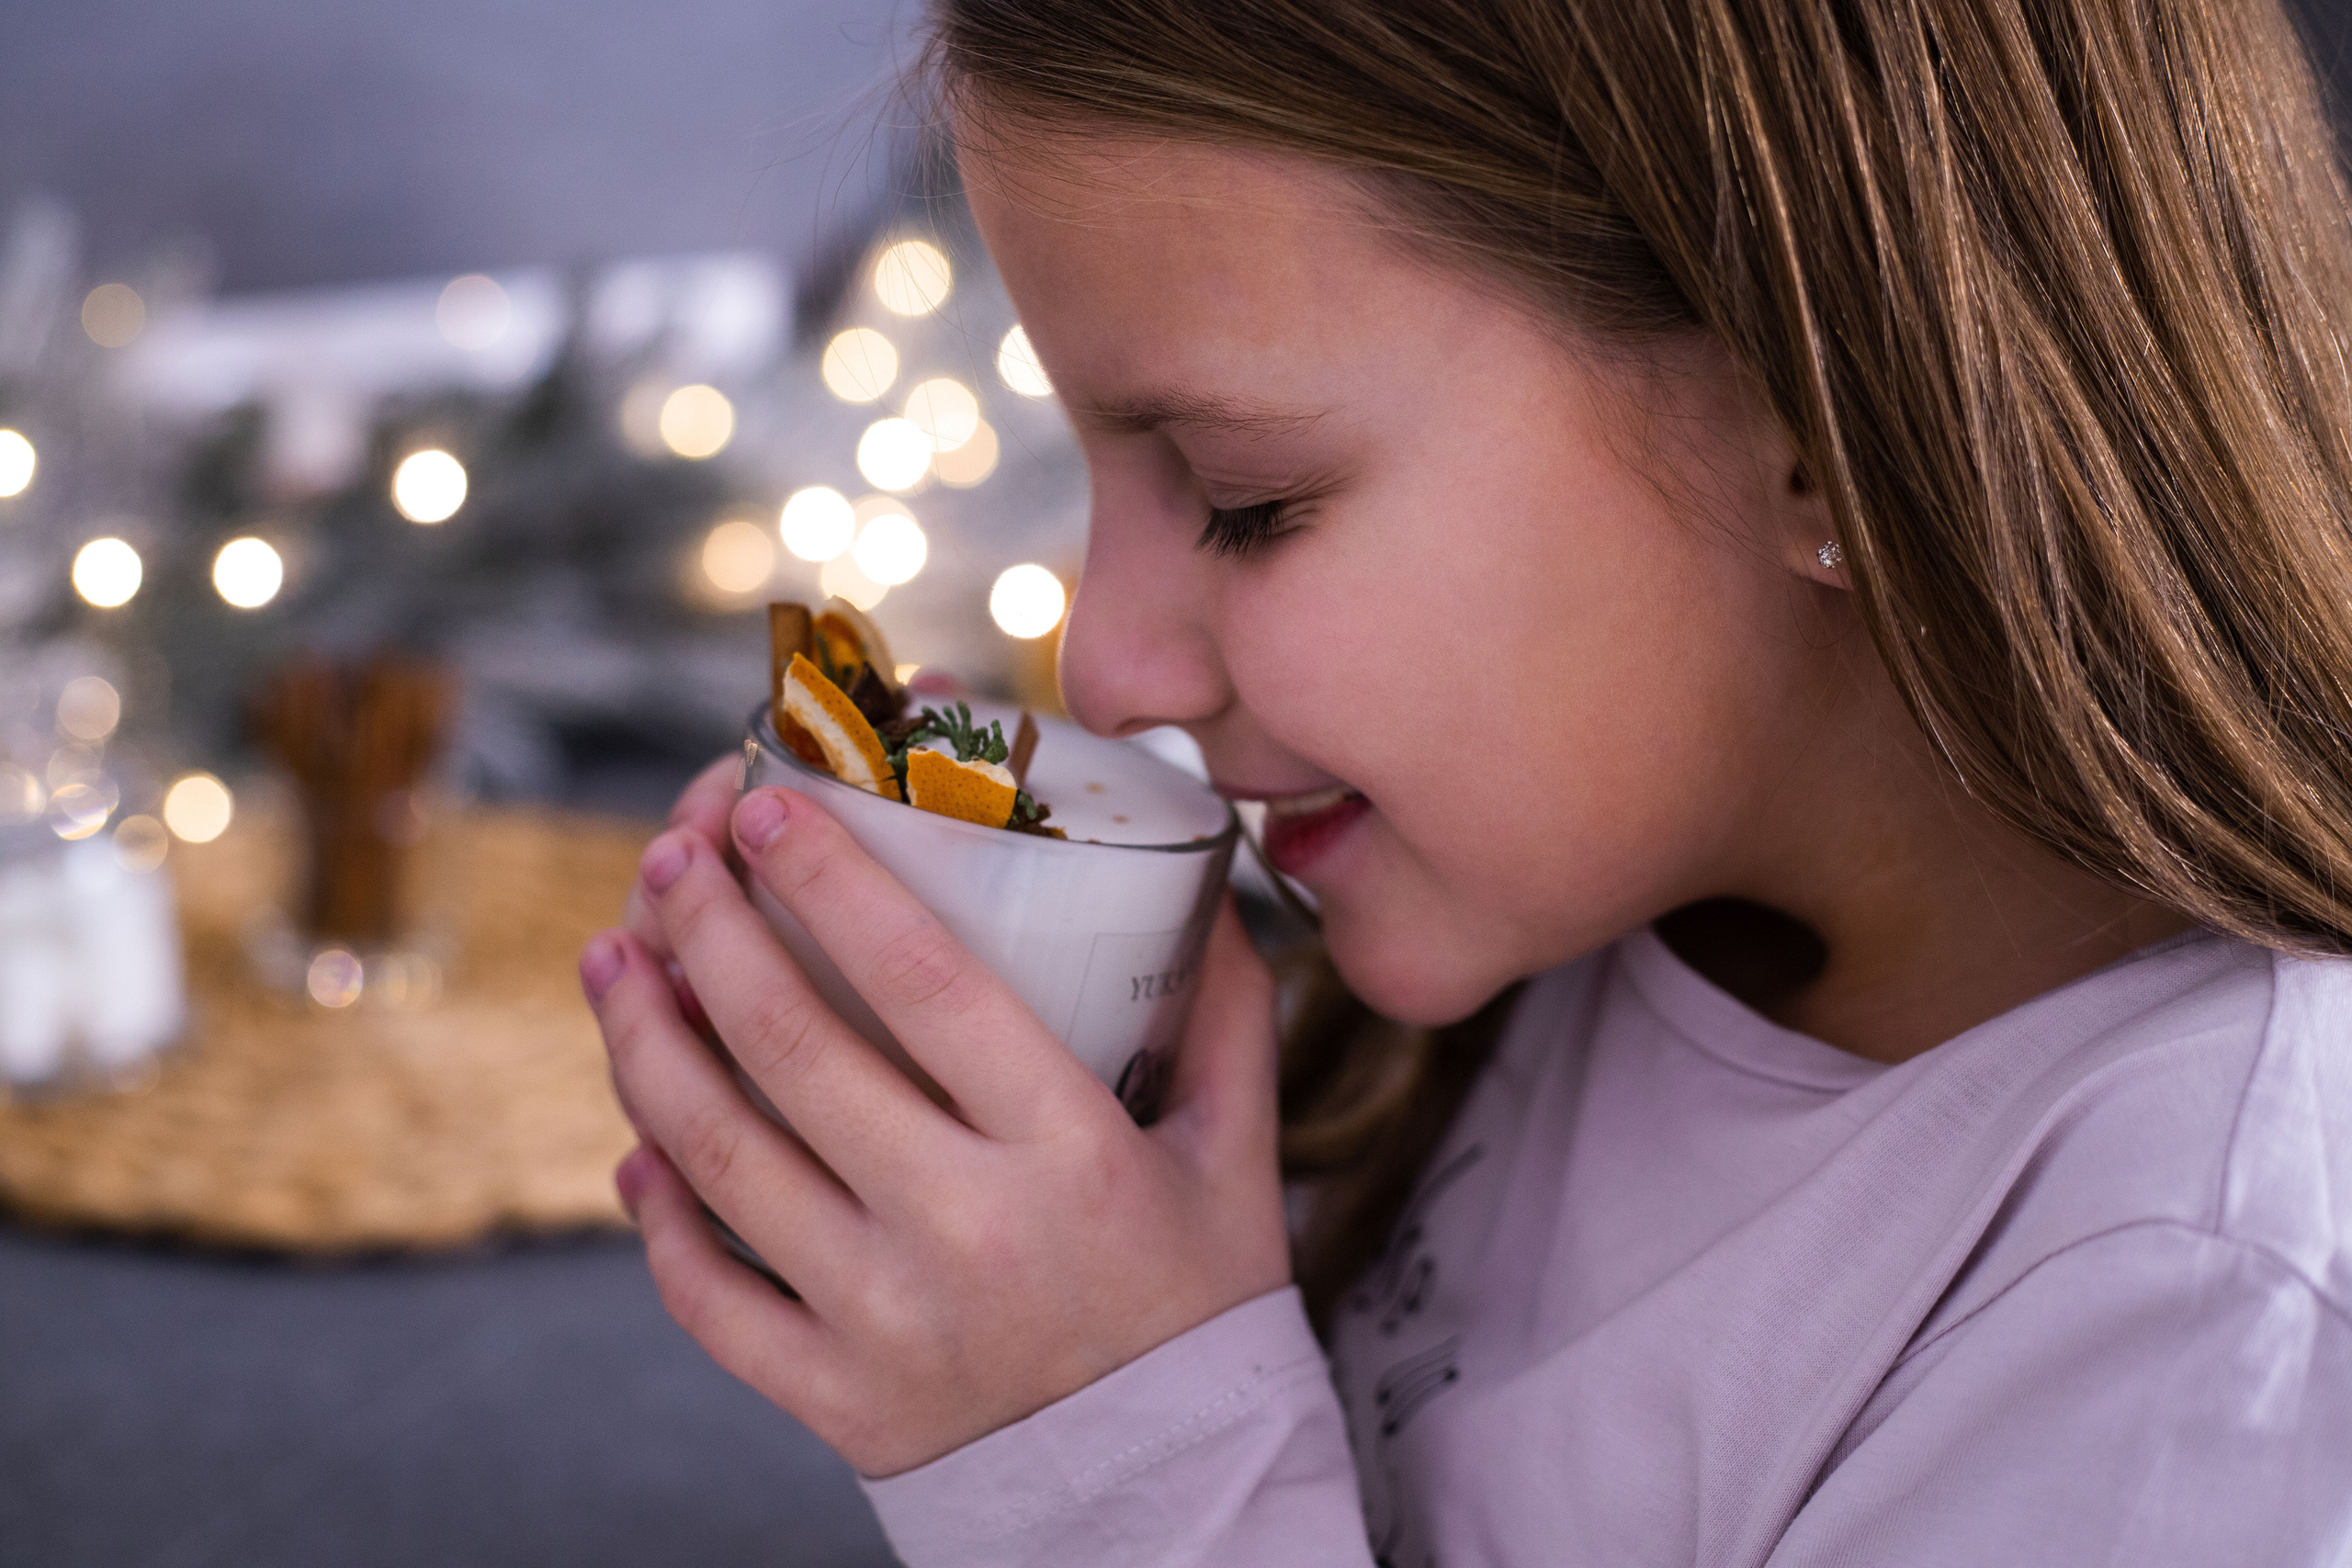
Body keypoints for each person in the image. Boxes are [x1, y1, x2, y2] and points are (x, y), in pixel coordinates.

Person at [579, 0, 2352, 1561]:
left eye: (1246, 498)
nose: (1109, 664)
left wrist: (1115, 1462)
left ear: (1821, 432)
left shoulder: (2198, 1313)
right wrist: (1009, 1192)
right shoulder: (1578, 910)